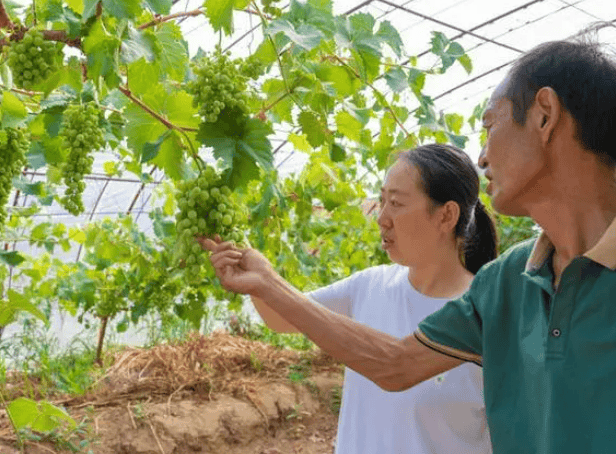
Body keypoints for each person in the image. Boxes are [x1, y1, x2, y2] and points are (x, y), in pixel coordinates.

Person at [200, 38, 616, 454]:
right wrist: (267, 283)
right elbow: (395, 364)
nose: (483, 157)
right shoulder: (506, 282)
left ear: (545, 116)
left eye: (490, 126)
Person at [245, 143, 495, 453]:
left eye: (396, 203)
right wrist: (250, 271)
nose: (382, 217)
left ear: (446, 215)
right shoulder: (369, 286)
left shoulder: (484, 313)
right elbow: (279, 315)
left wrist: (267, 281)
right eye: (382, 200)